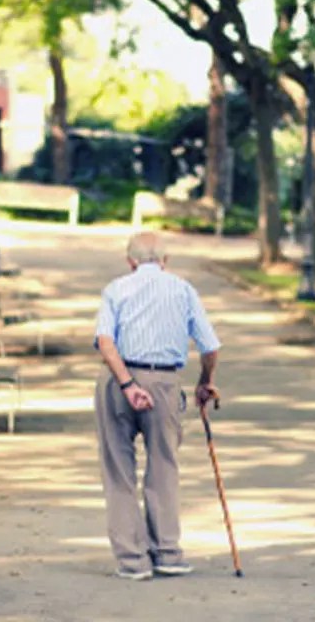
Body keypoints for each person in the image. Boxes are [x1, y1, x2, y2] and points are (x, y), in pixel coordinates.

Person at [93, 232, 222, 581]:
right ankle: (167, 552)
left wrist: (128, 384)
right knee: (164, 467)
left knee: (118, 471)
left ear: (130, 261)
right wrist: (204, 381)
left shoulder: (116, 289)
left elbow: (106, 342)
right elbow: (210, 346)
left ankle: (132, 560)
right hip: (164, 383)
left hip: (118, 382)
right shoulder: (183, 290)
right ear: (165, 261)